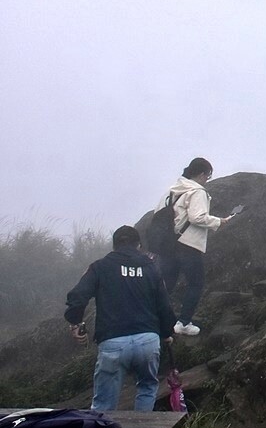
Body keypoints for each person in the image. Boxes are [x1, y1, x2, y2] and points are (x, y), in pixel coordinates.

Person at [64, 225, 176, 412]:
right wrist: (166, 332)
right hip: (148, 339)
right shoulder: (151, 268)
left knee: (103, 405)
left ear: (114, 246)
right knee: (147, 387)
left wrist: (75, 322)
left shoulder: (99, 267)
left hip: (113, 341)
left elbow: (78, 297)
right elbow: (164, 305)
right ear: (138, 245)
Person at [155, 157, 232, 336]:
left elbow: (157, 214)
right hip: (187, 245)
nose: (207, 180)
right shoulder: (197, 191)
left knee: (167, 284)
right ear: (201, 174)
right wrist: (218, 221)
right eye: (208, 176)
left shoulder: (171, 190)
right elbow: (197, 217)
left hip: (167, 245)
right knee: (195, 283)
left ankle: (156, 318)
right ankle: (183, 322)